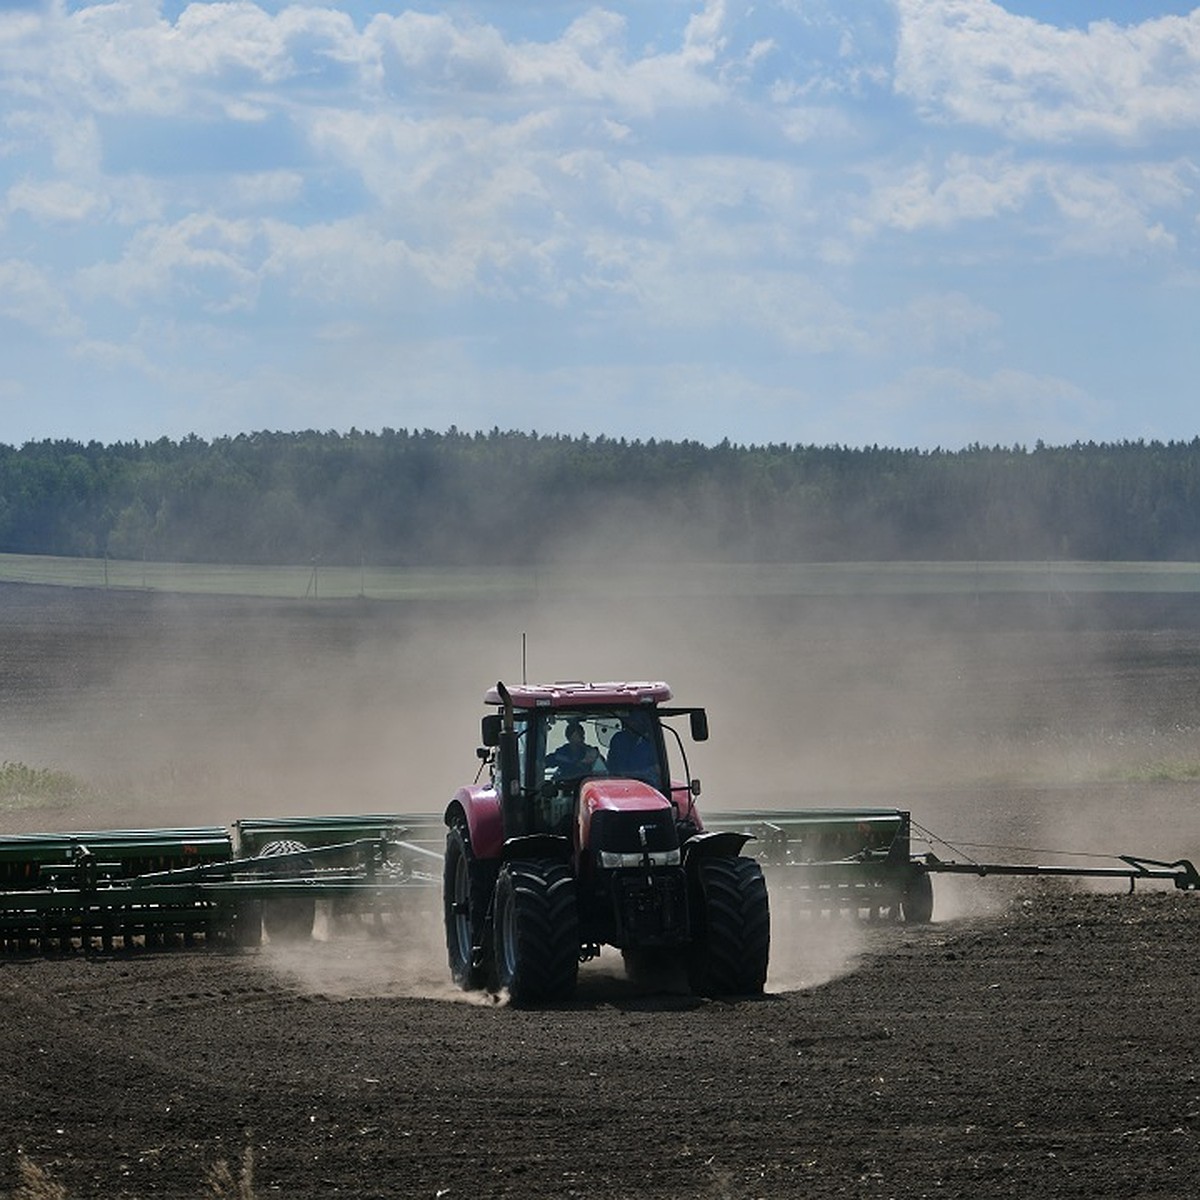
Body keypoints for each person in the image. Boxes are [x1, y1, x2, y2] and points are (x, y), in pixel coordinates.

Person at [606, 712, 660, 785]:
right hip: (619, 787)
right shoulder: (619, 739)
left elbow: (657, 769)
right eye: (630, 721)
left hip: (648, 787)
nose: (633, 723)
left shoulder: (652, 741)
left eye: (638, 721)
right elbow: (611, 767)